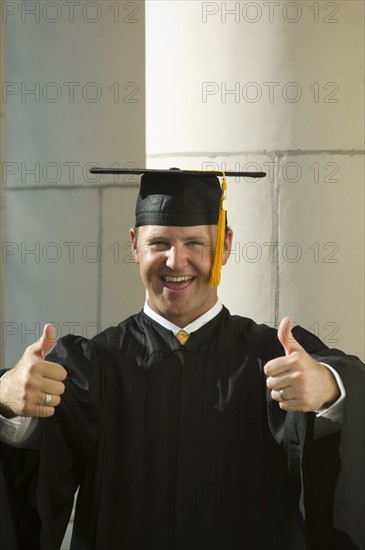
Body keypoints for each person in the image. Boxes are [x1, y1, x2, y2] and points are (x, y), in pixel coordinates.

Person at [0, 168, 364, 550]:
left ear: (224, 245)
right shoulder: (93, 367)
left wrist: (327, 388)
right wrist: (8, 401)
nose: (176, 261)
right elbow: (34, 470)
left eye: (195, 243)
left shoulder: (274, 359)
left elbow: (350, 386)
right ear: (134, 245)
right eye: (160, 243)